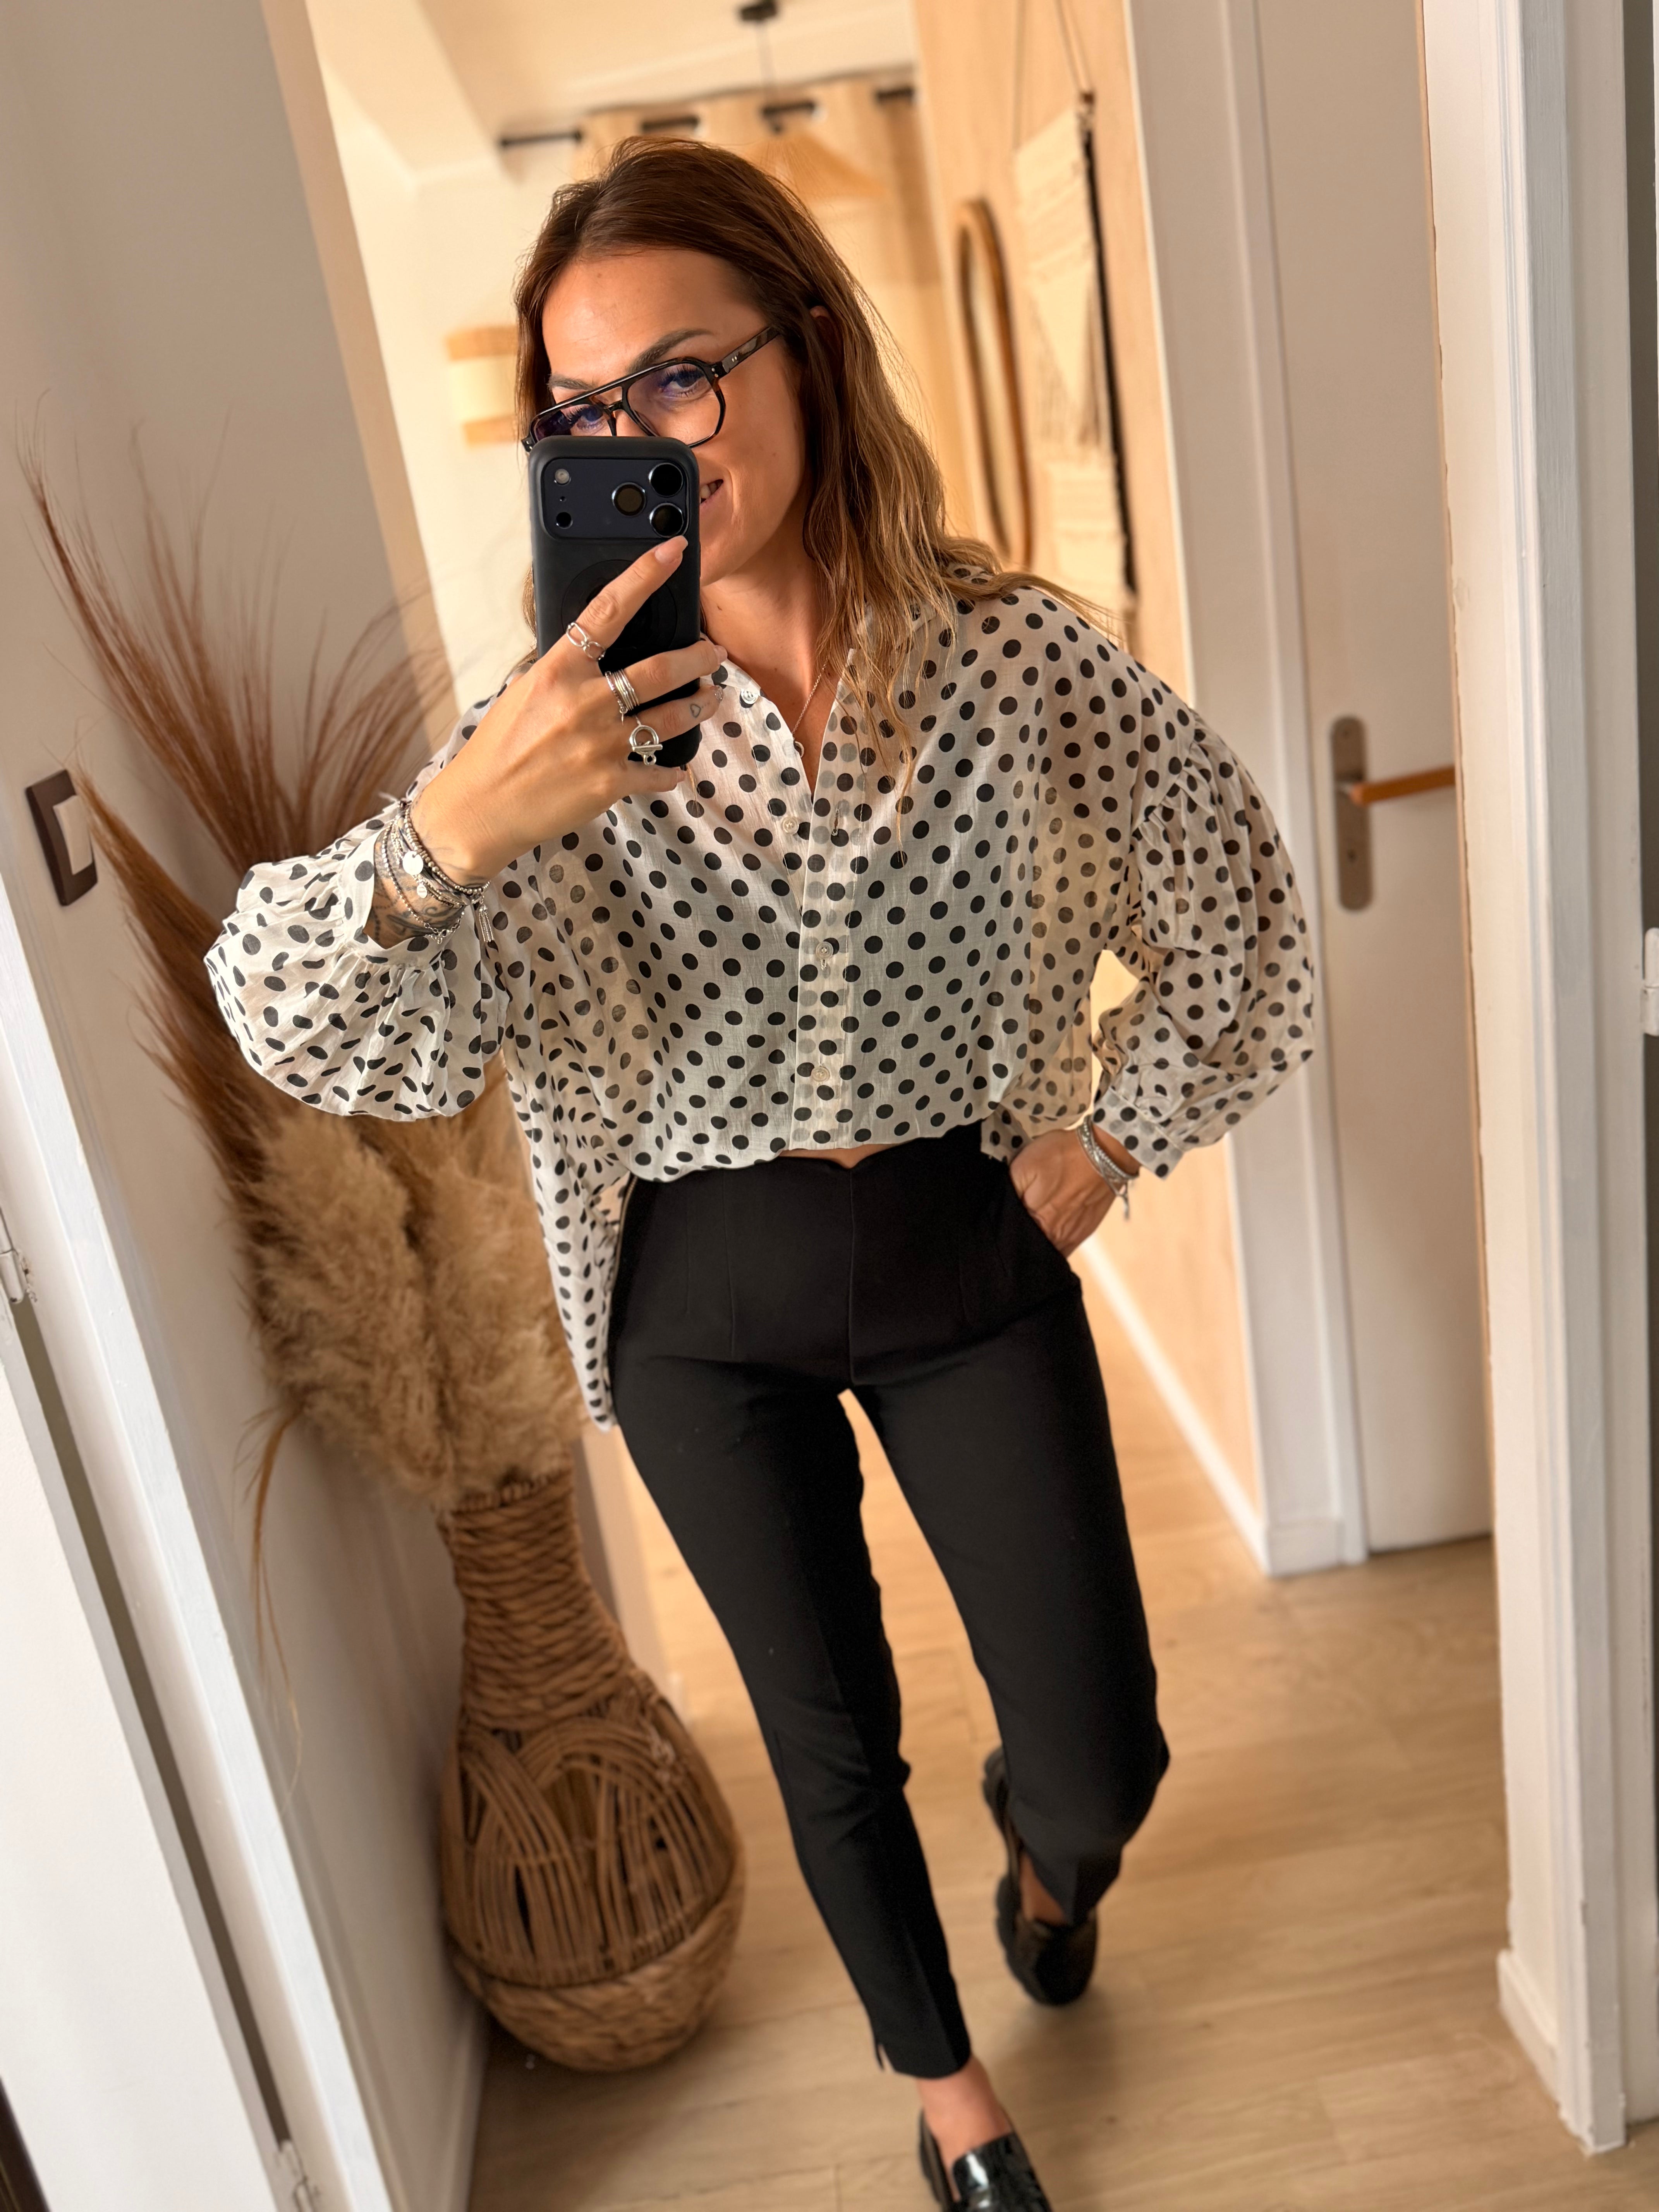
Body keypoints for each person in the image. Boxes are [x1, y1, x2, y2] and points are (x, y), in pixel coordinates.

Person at [207, 136, 1314, 2211]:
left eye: (680, 377)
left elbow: (1241, 917)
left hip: (969, 1237)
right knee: (828, 1730)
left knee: (1103, 1747)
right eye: (582, 409)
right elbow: (295, 1016)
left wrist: (1106, 1139)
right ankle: (953, 2104)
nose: (639, 439)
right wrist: (449, 836)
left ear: (806, 347)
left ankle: (1052, 1864)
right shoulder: (555, 729)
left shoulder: (1014, 662)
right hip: (696, 1287)